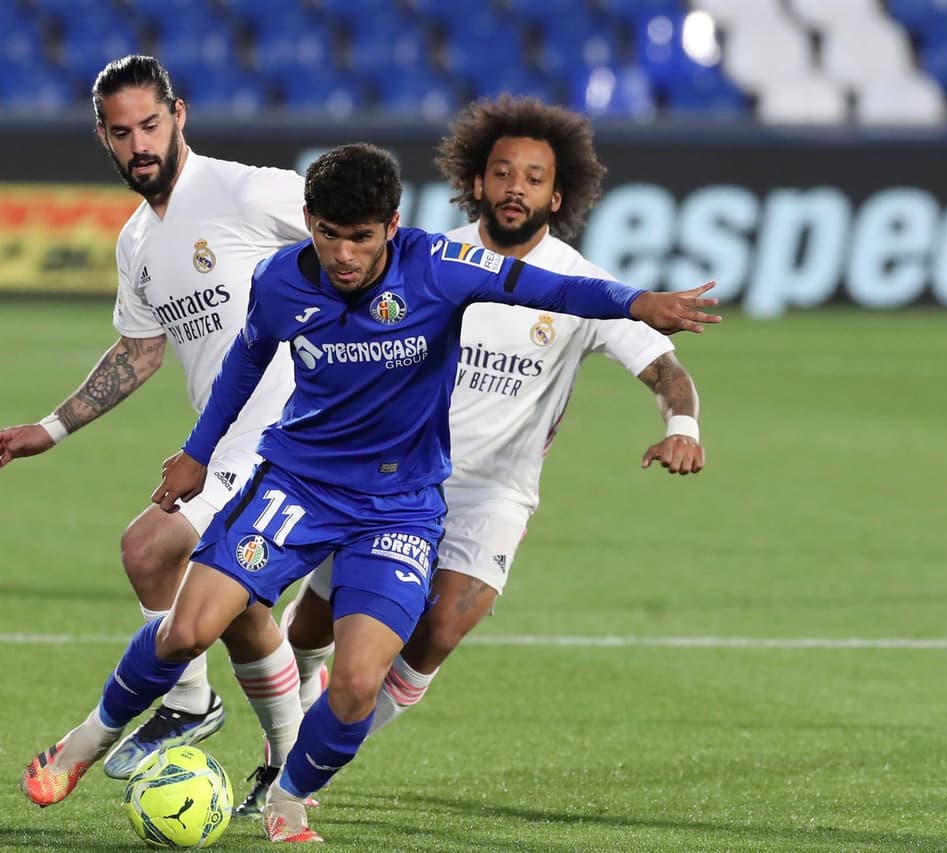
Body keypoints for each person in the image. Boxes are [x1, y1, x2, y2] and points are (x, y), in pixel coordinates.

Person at [18, 141, 720, 842]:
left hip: (400, 508)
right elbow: (245, 362)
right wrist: (197, 454)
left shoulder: (439, 267)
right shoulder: (281, 280)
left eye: (360, 237)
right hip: (299, 482)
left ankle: (288, 796)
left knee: (356, 684)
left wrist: (637, 303)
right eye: (328, 235)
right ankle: (83, 742)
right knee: (188, 628)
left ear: (391, 224)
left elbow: (553, 288)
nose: (343, 255)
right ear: (309, 221)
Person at [281, 97, 708, 746]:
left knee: (440, 630)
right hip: (391, 477)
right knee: (312, 627)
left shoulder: (582, 286)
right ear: (476, 182)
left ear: (558, 197)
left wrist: (683, 427)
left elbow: (667, 372)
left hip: (493, 493)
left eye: (534, 179)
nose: (517, 189)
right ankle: (293, 716)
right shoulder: (423, 260)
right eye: (504, 172)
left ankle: (302, 762)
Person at [0, 55, 314, 789]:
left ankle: (189, 702)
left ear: (180, 115)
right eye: (122, 132)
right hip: (225, 437)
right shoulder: (136, 241)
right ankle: (288, 769)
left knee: (150, 545)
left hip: (291, 432)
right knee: (239, 607)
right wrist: (52, 427)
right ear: (102, 136)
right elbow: (139, 351)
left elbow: (366, 232)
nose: (141, 145)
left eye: (152, 125)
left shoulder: (247, 191)